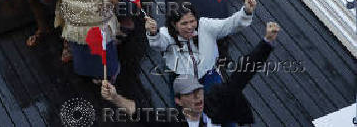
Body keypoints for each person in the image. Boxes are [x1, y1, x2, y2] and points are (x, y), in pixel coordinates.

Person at [101, 22, 281, 126]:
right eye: (191, 94)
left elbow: (242, 74)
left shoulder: (216, 98)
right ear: (178, 101)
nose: (198, 97)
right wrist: (115, 98)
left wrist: (267, 42)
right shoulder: (172, 121)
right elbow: (138, 111)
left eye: (198, 91)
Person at [145, 0, 256, 93]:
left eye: (192, 21)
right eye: (184, 23)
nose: (189, 27)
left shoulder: (205, 25)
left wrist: (246, 12)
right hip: (183, 82)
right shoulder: (165, 34)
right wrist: (153, 33)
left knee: (218, 111)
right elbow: (158, 44)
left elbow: (230, 24)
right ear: (174, 24)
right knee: (188, 115)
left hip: (211, 77)